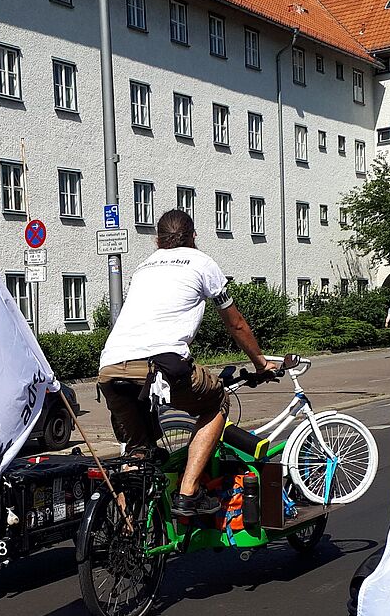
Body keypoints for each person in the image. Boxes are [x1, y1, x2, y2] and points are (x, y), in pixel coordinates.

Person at [97, 209, 278, 517]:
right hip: (162, 366)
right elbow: (236, 325)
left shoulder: (142, 268)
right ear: (193, 236)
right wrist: (261, 363)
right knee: (216, 401)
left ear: (157, 240)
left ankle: (127, 523)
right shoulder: (202, 262)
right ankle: (188, 494)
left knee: (141, 451)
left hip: (110, 368)